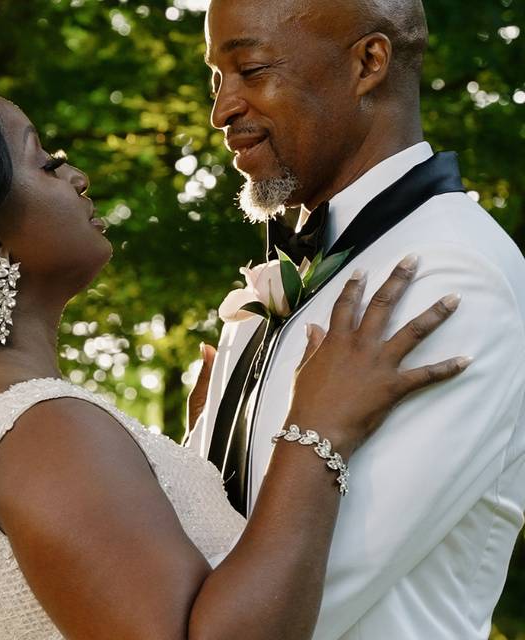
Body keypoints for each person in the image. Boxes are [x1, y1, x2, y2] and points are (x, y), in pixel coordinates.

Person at [0, 79, 467, 639]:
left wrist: (181, 460)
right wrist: (318, 432)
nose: (77, 174)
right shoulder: (43, 432)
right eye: (46, 162)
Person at [189, 0, 525, 638]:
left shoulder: (448, 276)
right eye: (216, 79)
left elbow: (301, 601)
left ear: (368, 63)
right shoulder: (292, 276)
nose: (222, 110)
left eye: (251, 70)